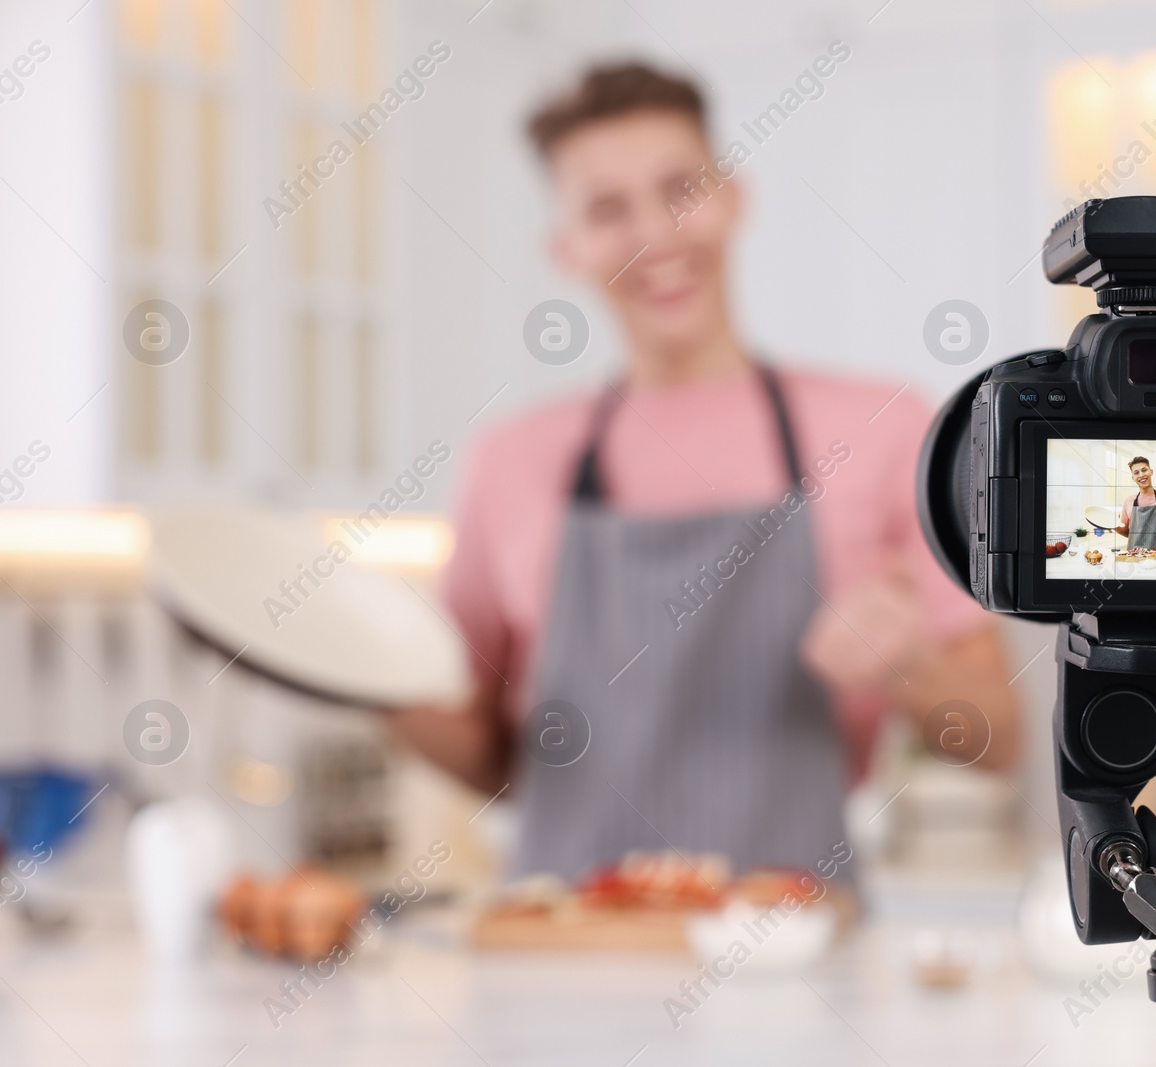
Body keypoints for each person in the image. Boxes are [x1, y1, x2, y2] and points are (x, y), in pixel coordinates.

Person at [390, 62, 1020, 882]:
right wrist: (361, 685)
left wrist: (909, 666)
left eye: (679, 189)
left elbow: (999, 739)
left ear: (732, 197)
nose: (656, 235)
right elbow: (498, 763)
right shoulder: (508, 460)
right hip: (567, 944)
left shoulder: (884, 427)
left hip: (796, 949)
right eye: (608, 209)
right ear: (566, 248)